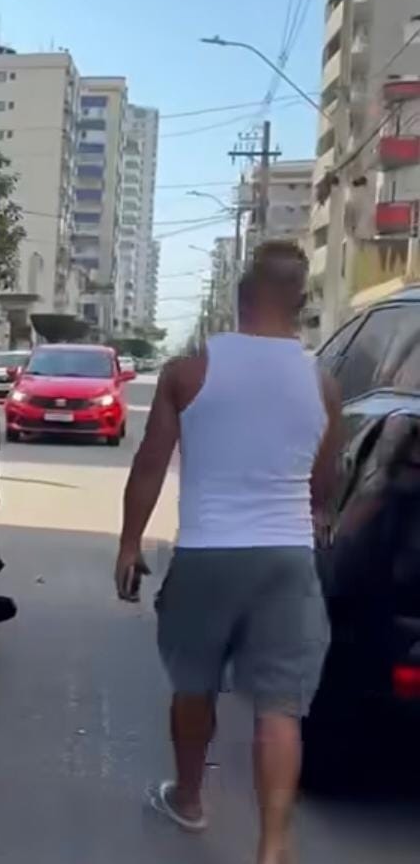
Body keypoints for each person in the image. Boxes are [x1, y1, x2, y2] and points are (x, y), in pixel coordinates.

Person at [113, 240, 342, 864]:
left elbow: (149, 466)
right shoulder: (323, 385)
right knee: (279, 706)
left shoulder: (190, 371)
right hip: (287, 561)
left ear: (240, 298)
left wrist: (130, 546)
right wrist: (315, 516)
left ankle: (188, 799)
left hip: (210, 554)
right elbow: (325, 487)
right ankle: (273, 847)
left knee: (194, 686)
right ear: (301, 302)